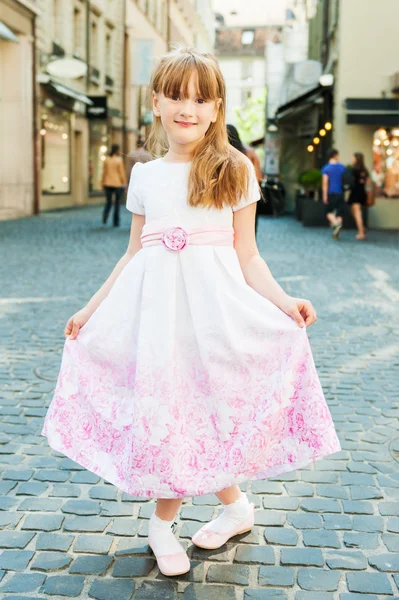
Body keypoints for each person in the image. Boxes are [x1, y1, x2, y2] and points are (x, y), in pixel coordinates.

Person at [42, 46, 341, 578]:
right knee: (169, 411)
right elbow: (133, 253)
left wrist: (284, 300)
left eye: (201, 98)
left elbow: (247, 255)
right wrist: (90, 309)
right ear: (155, 102)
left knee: (208, 411)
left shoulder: (234, 170)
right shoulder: (146, 176)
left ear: (217, 106)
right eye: (176, 95)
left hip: (213, 316)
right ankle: (177, 521)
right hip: (156, 318)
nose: (188, 107)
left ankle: (228, 509)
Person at [227, 124, 263, 232]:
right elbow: (259, 177)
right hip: (249, 195)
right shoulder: (249, 153)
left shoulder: (223, 155)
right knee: (249, 229)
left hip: (229, 197)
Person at [322, 148, 347, 239]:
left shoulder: (326, 168)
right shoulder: (342, 167)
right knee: (340, 212)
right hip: (340, 192)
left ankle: (336, 225)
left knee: (328, 211)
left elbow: (325, 183)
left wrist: (324, 195)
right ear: (335, 155)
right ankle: (337, 230)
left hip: (331, 192)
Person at [101, 144, 127, 227]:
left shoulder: (107, 160)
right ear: (117, 150)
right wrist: (124, 183)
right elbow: (122, 173)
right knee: (117, 203)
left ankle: (105, 213)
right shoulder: (119, 160)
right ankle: (116, 222)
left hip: (107, 183)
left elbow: (104, 172)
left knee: (108, 201)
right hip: (117, 184)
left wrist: (102, 183)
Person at [347, 153, 369, 240]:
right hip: (362, 192)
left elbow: (350, 180)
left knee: (357, 212)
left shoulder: (354, 169)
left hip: (355, 192)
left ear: (356, 159)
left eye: (353, 157)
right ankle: (362, 228)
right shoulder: (365, 170)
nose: (352, 159)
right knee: (354, 211)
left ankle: (361, 233)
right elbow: (367, 181)